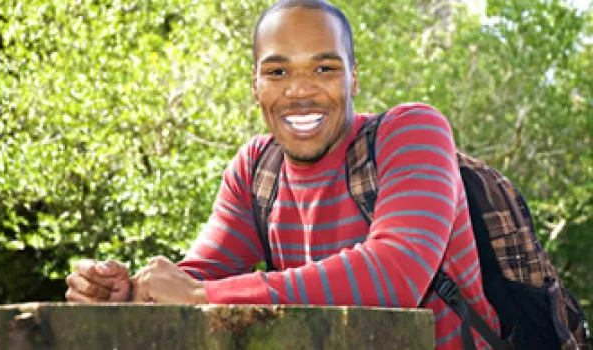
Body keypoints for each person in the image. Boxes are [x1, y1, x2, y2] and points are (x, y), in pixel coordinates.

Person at [65, 0, 499, 348]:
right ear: (255, 86)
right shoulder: (255, 169)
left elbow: (396, 273)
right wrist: (133, 295)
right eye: (277, 71)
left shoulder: (412, 132)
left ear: (354, 79)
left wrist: (201, 298)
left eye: (324, 68)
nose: (300, 90)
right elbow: (198, 276)